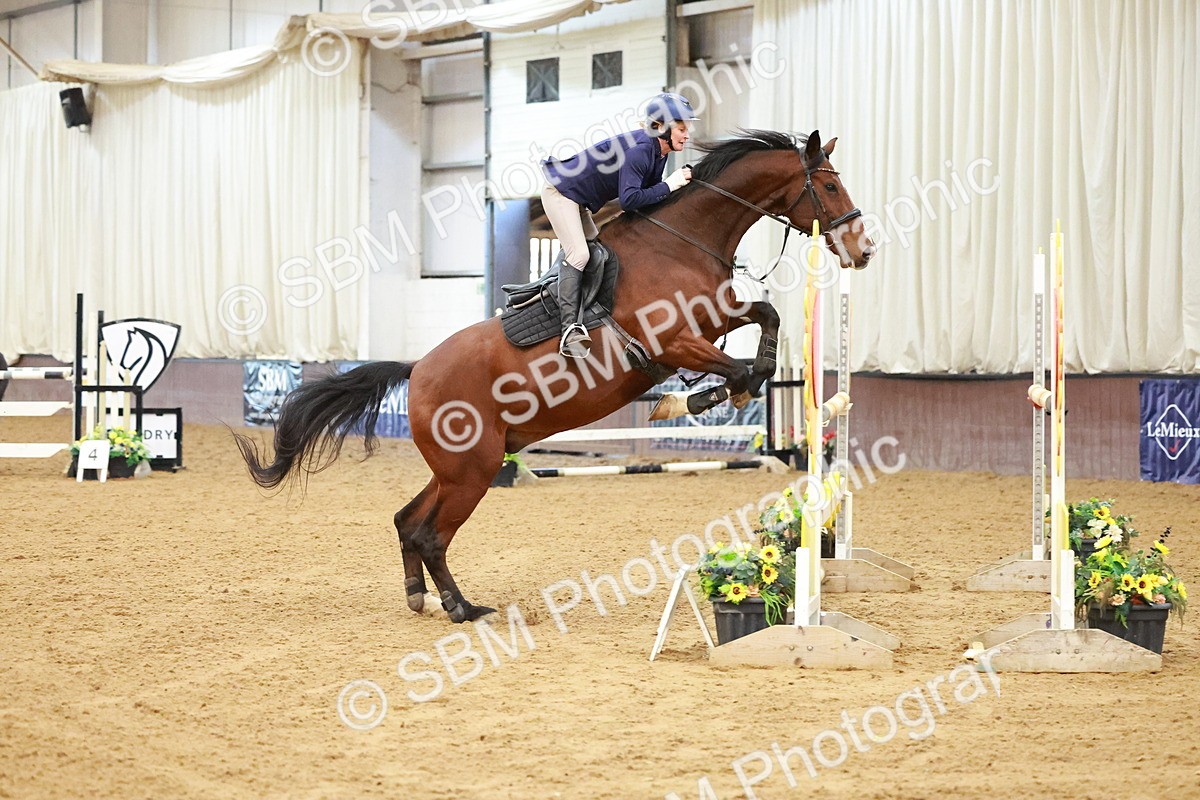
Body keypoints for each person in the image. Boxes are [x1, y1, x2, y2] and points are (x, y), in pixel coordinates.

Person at [540, 92, 698, 358]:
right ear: (661, 127)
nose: (687, 135)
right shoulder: (641, 150)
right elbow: (630, 199)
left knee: (600, 252)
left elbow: (649, 196)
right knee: (579, 255)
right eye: (682, 129)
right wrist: (670, 184)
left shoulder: (659, 152)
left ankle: (586, 308)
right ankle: (569, 331)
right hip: (561, 192)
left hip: (578, 199)